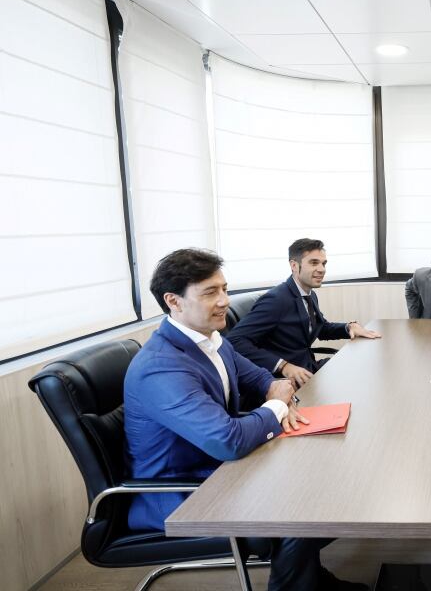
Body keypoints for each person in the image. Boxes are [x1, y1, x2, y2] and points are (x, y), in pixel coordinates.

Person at [124, 248, 367, 590]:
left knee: (329, 475)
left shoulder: (211, 340)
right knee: (304, 503)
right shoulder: (161, 366)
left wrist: (274, 385)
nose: (224, 301)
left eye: (224, 289)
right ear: (173, 301)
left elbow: (256, 376)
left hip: (222, 468)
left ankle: (310, 580)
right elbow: (228, 440)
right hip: (184, 492)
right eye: (210, 292)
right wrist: (277, 406)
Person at [229, 238, 380, 388]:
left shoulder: (309, 295)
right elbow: (234, 341)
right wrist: (283, 365)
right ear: (294, 265)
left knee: (361, 368)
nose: (322, 269)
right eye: (314, 263)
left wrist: (348, 327)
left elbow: (321, 328)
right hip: (288, 381)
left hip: (309, 369)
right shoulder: (276, 299)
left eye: (323, 263)